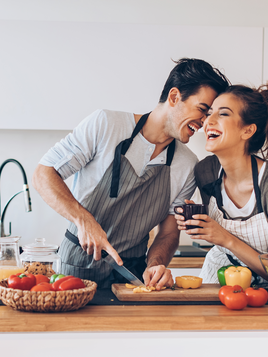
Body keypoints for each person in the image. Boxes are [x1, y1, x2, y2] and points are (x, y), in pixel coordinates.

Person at [33, 58, 230, 289]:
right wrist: (83, 219)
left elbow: (168, 233)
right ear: (175, 97)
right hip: (77, 268)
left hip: (132, 274)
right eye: (203, 110)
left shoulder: (187, 165)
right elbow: (43, 173)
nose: (206, 122)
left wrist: (156, 265)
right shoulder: (106, 125)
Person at [176, 83, 268, 284]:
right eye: (209, 113)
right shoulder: (206, 171)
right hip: (217, 278)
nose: (208, 120)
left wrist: (225, 238)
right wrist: (198, 220)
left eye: (223, 114)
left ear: (247, 131)